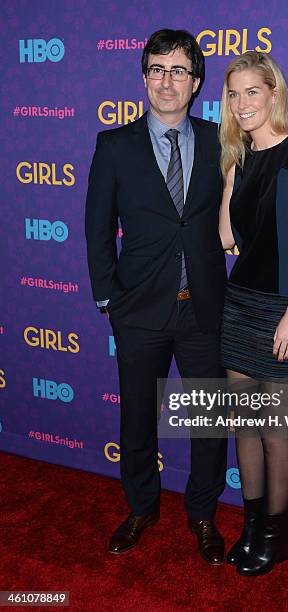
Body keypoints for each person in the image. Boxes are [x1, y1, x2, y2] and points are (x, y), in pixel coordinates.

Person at [85, 29, 228, 565]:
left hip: (205, 309)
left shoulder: (220, 140)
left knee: (209, 422)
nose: (167, 81)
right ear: (144, 77)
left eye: (179, 71)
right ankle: (142, 507)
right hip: (138, 312)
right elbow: (97, 229)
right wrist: (108, 300)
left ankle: (202, 514)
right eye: (157, 69)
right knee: (137, 420)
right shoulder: (114, 146)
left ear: (195, 83)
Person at [218, 50, 288, 576]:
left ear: (274, 93)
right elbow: (226, 237)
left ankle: (277, 529)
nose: (242, 103)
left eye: (252, 92)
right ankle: (251, 523)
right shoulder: (237, 157)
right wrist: (226, 174)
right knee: (244, 426)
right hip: (239, 305)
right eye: (234, 94)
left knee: (273, 430)